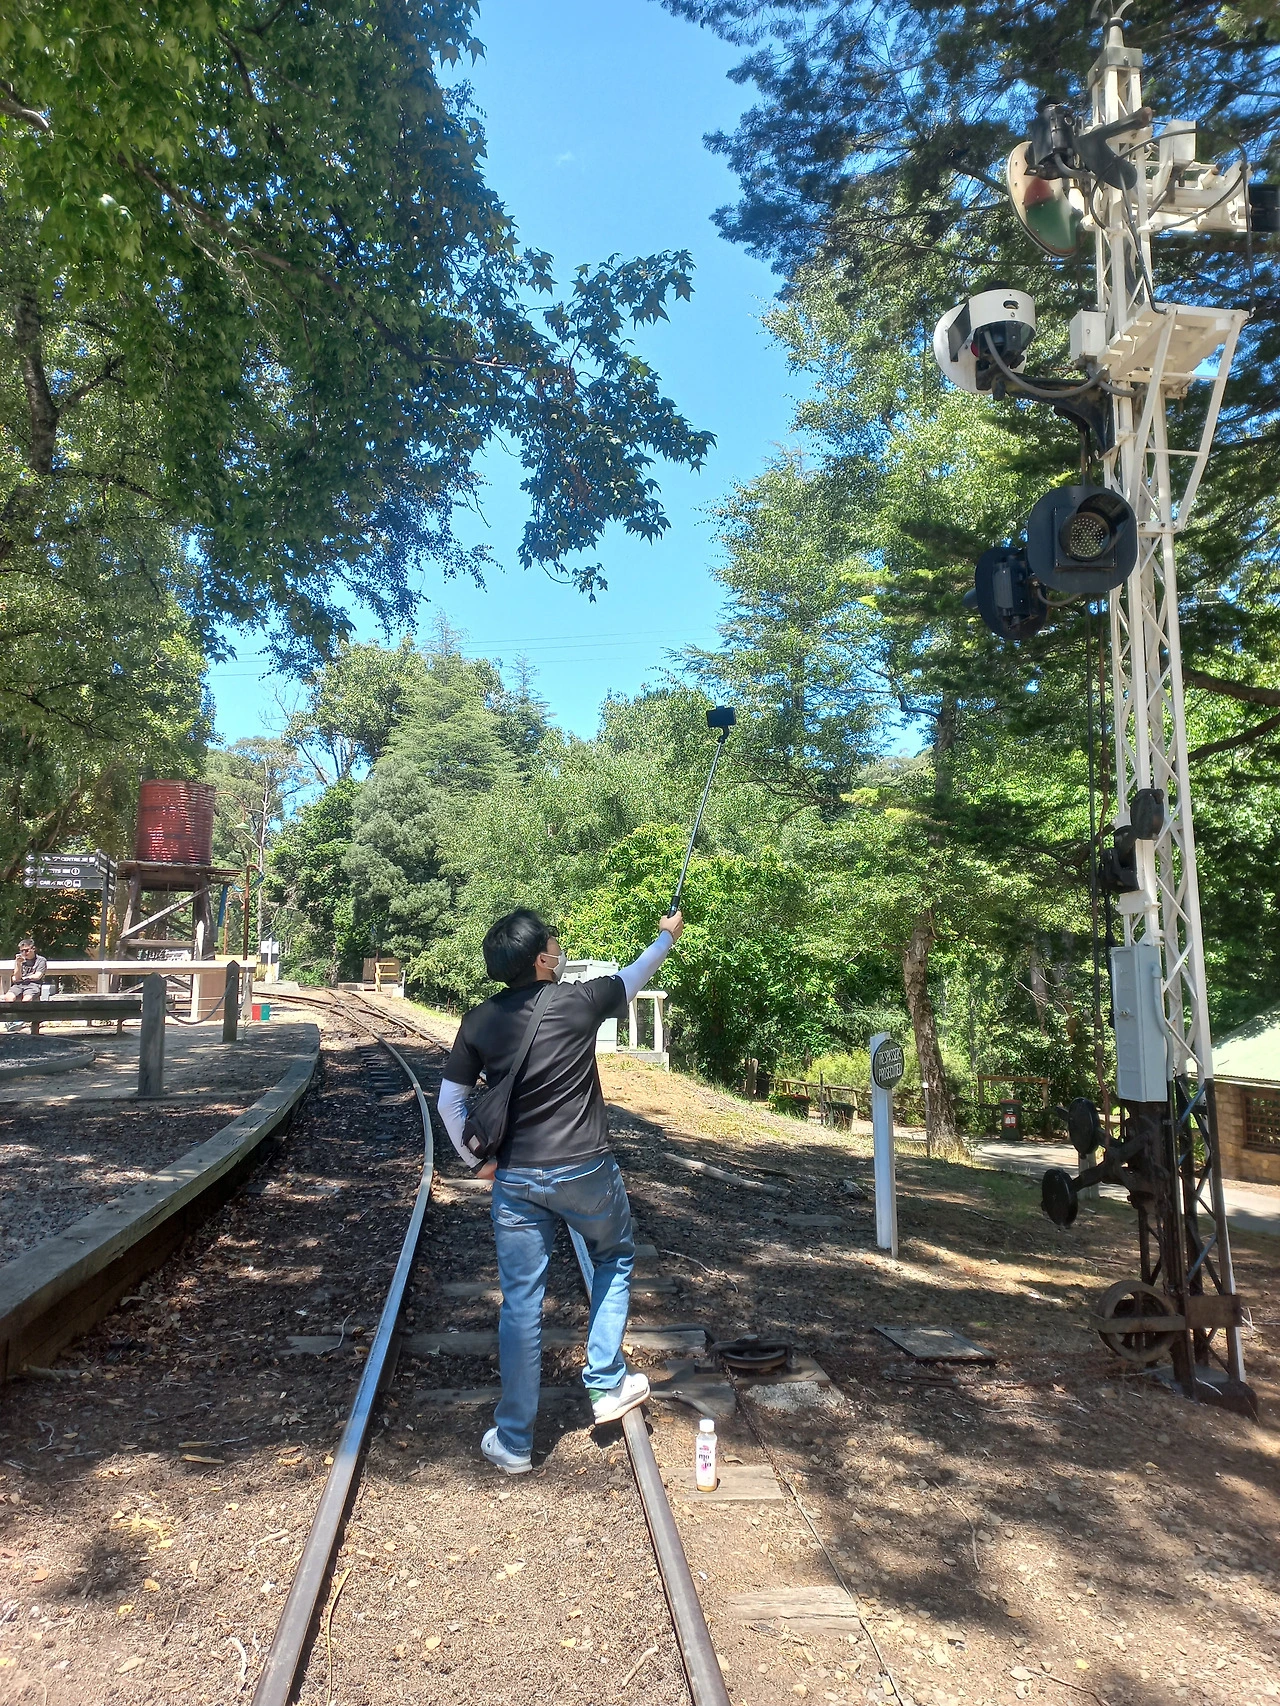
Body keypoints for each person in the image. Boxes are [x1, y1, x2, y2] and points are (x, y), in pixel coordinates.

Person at [436, 907, 684, 1474]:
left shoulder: (479, 1021)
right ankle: (606, 1382)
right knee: (614, 1255)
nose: (560, 943)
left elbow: (450, 1102)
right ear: (543, 960)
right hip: (586, 1171)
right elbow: (637, 973)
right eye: (554, 939)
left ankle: (515, 1442)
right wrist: (666, 936)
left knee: (521, 1305)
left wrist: (478, 1161)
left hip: (517, 1180)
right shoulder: (579, 1001)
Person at [4, 937, 47, 1007]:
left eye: (26, 950)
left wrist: (24, 978)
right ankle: (13, 1013)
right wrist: (18, 964)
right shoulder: (19, 960)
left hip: (33, 985)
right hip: (19, 985)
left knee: (26, 1000)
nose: (24, 953)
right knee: (8, 998)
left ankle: (23, 1014)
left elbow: (37, 976)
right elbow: (17, 978)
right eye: (22, 951)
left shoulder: (41, 960)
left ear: (33, 949)